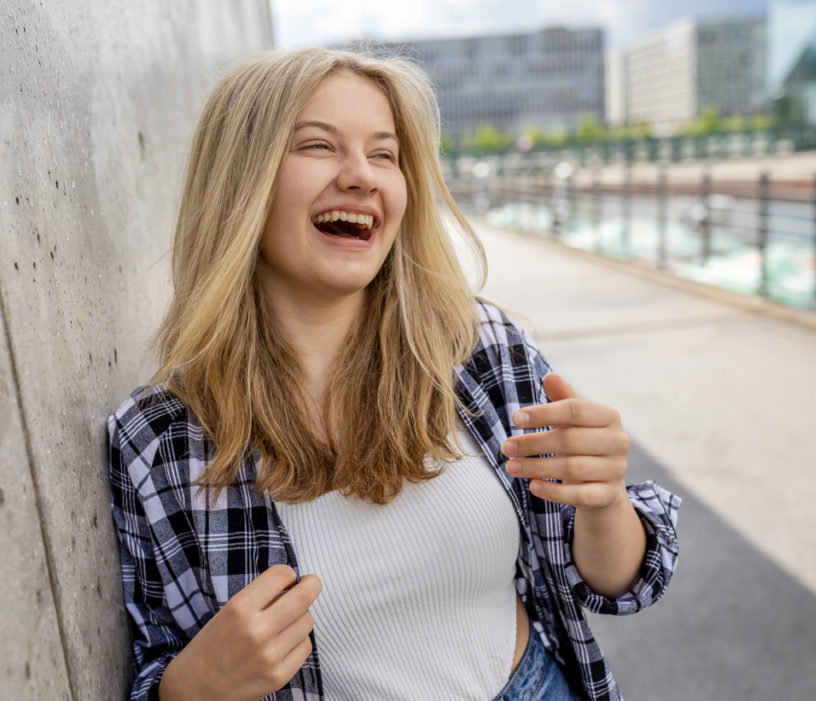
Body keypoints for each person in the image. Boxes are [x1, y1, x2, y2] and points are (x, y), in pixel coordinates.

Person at [107, 47, 680, 701]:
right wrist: (185, 691)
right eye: (319, 146)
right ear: (241, 181)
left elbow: (622, 582)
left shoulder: (478, 349)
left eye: (384, 154)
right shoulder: (158, 438)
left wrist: (604, 501)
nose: (362, 175)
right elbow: (153, 661)